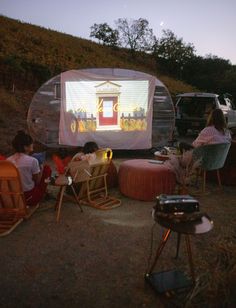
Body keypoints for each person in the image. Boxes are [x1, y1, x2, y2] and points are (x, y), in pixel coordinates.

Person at [7, 130, 52, 206]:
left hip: (13, 198)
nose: (32, 145)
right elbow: (37, 181)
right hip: (29, 198)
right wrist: (40, 170)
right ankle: (44, 191)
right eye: (31, 143)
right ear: (25, 147)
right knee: (47, 170)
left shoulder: (8, 161)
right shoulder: (33, 161)